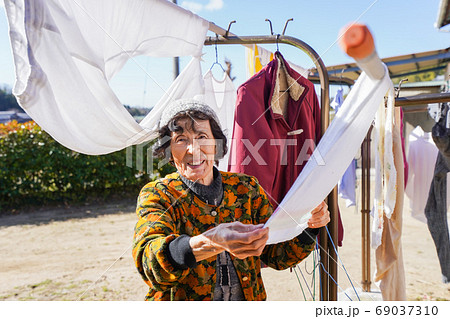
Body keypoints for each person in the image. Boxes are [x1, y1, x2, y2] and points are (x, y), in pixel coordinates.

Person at [132, 99, 330, 301]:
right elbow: (150, 262)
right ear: (169, 151)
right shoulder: (158, 194)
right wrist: (211, 242)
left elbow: (277, 255)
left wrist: (309, 226)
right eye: (181, 139)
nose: (194, 149)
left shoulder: (246, 189)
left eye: (202, 137)